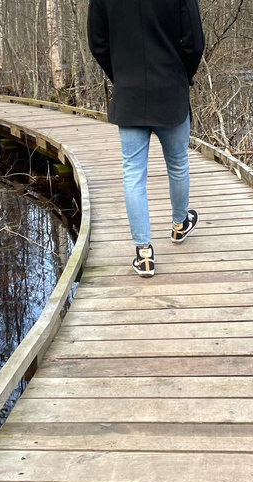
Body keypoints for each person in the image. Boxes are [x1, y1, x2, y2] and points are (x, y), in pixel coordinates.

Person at [88, 0, 205, 277]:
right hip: (170, 91)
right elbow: (194, 43)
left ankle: (143, 255)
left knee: (133, 174)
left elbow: (98, 44)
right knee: (177, 163)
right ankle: (179, 225)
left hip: (129, 93)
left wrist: (122, 76)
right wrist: (180, 75)